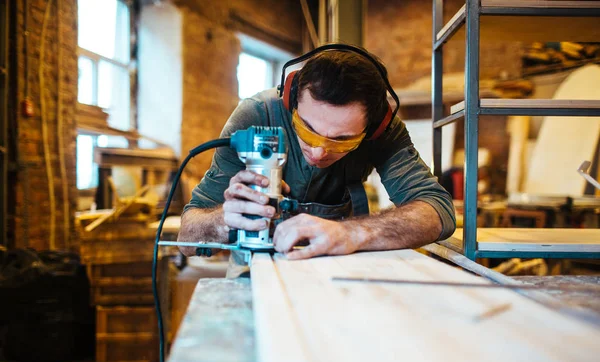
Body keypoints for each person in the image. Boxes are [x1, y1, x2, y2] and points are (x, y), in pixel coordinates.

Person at [178, 45, 456, 260]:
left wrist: (353, 232)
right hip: (258, 273)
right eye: (308, 129)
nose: (319, 150)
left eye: (341, 140)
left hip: (340, 272)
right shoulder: (256, 116)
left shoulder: (384, 130)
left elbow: (438, 211)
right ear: (291, 99)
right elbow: (186, 238)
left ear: (373, 127)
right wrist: (225, 219)